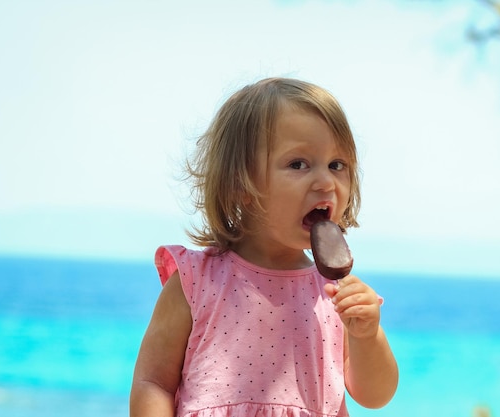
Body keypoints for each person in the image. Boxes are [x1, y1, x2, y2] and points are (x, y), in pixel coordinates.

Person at [130, 77, 398, 417]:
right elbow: (153, 382)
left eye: (337, 165)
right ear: (241, 184)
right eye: (298, 164)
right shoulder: (195, 281)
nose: (326, 181)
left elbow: (376, 396)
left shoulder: (335, 293)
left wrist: (367, 335)